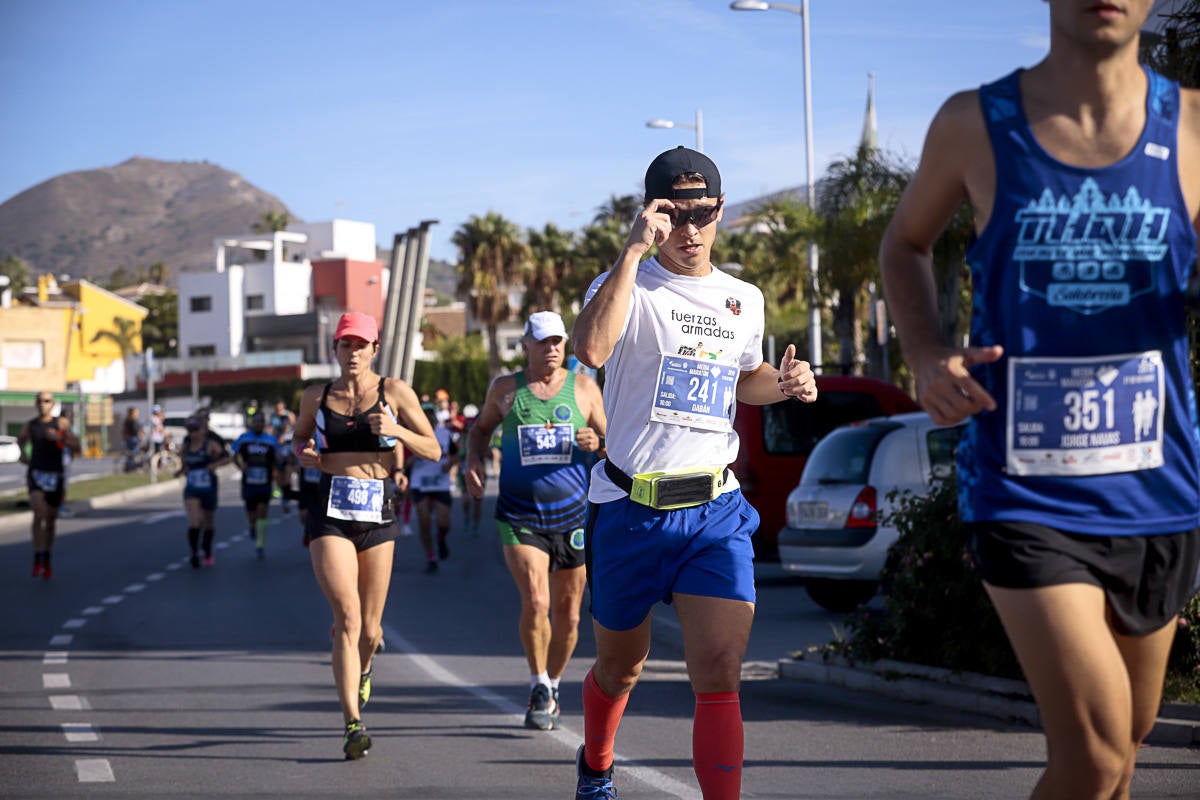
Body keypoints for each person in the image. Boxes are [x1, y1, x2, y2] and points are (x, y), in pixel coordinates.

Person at [877, 4, 1200, 798]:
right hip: (1024, 491)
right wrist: (924, 353)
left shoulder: (1191, 127)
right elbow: (903, 243)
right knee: (1092, 757)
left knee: (1127, 741)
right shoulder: (974, 124)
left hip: (1159, 491)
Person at [570, 146, 817, 799]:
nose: (689, 231)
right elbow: (590, 350)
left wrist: (787, 383)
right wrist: (630, 252)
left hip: (714, 510)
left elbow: (746, 381)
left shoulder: (743, 298)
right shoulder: (621, 285)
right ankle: (596, 763)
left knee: (719, 667)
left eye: (702, 215)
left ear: (720, 212)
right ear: (652, 214)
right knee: (620, 669)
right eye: (673, 216)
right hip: (629, 509)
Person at [293, 310, 440, 760]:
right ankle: (352, 723)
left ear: (374, 349)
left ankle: (365, 666)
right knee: (347, 617)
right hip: (329, 513)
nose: (352, 352)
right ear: (334, 350)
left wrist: (396, 430)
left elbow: (432, 447)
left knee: (371, 630)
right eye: (345, 344)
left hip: (377, 511)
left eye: (360, 345)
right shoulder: (315, 397)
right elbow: (298, 440)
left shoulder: (393, 392)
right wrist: (305, 454)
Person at [465, 310, 607, 731]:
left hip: (574, 517)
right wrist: (473, 460)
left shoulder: (584, 389)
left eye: (557, 342)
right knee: (538, 600)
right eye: (542, 342)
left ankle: (556, 682)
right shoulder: (506, 389)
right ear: (525, 343)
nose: (551, 349)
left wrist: (596, 441)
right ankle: (538, 682)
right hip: (520, 515)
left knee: (570, 615)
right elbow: (479, 430)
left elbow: (614, 448)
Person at [17, 393, 81, 579]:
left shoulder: (61, 424)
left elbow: (76, 445)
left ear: (52, 404)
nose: (42, 404)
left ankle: (47, 556)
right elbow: (21, 439)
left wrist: (59, 438)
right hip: (36, 472)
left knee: (51, 520)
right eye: (39, 401)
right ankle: (37, 556)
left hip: (55, 474)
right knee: (39, 512)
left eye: (46, 401)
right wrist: (22, 454)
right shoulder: (31, 425)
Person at [408, 402, 458, 574]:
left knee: (444, 521)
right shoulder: (412, 435)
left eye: (431, 414)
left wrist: (450, 464)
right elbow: (402, 462)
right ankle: (431, 557)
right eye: (425, 414)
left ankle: (441, 538)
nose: (428, 417)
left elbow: (456, 454)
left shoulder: (444, 434)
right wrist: (413, 458)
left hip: (440, 482)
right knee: (424, 523)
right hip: (420, 483)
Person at [177, 416, 230, 567]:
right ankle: (194, 553)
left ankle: (207, 549)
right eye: (190, 430)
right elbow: (184, 464)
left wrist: (214, 465)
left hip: (208, 487)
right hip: (192, 488)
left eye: (195, 430)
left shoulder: (210, 445)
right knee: (194, 520)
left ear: (202, 430)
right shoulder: (186, 446)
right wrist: (183, 471)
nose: (193, 434)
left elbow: (226, 458)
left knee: (208, 521)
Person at [233, 412, 280, 559]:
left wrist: (276, 472)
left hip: (265, 481)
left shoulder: (271, 440)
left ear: (264, 424)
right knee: (251, 513)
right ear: (252, 423)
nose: (258, 424)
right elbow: (234, 455)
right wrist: (241, 466)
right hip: (249, 481)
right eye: (256, 422)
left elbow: (277, 459)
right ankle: (252, 527)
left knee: (262, 510)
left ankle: (260, 544)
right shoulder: (244, 438)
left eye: (261, 422)